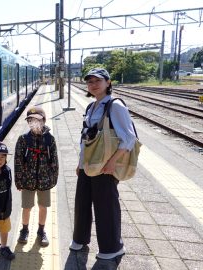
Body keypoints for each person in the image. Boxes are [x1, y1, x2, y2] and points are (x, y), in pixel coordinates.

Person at [70, 68, 137, 269]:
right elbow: (87, 138)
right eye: (90, 82)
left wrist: (112, 163)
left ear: (108, 82)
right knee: (82, 202)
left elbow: (129, 138)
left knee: (106, 207)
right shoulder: (92, 105)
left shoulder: (115, 106)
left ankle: (112, 247)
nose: (93, 85)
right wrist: (80, 163)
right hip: (89, 165)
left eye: (98, 81)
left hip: (106, 166)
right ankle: (80, 239)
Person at [14, 106, 58, 247]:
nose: (34, 123)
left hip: (45, 180)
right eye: (31, 121)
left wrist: (53, 179)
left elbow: (54, 160)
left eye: (37, 120)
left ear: (44, 121)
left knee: (43, 206)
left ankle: (41, 230)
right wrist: (18, 180)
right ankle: (25, 230)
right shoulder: (23, 139)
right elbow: (18, 161)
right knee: (26, 207)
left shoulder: (50, 140)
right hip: (27, 180)